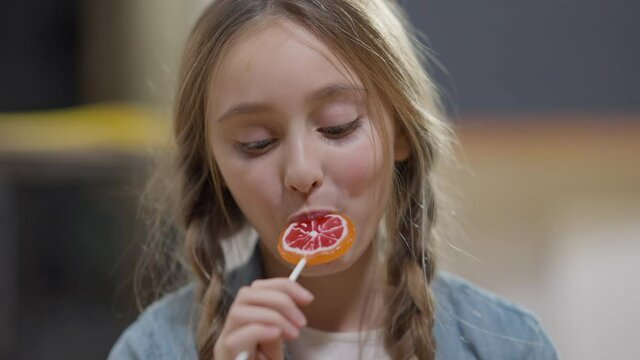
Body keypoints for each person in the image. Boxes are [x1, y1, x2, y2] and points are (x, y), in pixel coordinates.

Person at [109, 0, 557, 359]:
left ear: (400, 130)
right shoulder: (151, 349)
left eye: (338, 127)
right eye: (257, 143)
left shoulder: (510, 345)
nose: (302, 172)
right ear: (214, 167)